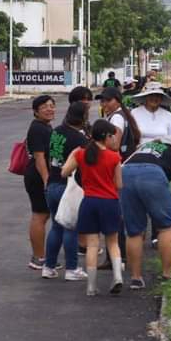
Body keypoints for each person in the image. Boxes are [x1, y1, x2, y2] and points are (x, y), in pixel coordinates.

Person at [121, 134, 171, 289]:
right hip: (153, 175)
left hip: (125, 173)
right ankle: (167, 274)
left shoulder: (145, 147)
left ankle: (136, 278)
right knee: (165, 227)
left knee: (134, 231)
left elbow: (123, 164)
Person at [61, 119, 125, 296]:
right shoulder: (114, 157)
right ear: (106, 136)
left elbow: (64, 172)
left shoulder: (81, 154)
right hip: (110, 202)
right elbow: (119, 184)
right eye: (112, 135)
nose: (114, 139)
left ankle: (91, 286)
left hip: (89, 202)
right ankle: (118, 277)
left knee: (91, 244)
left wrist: (73, 154)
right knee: (112, 242)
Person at [43, 103, 89, 282]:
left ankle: (49, 266)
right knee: (70, 226)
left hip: (53, 183)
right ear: (83, 117)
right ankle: (71, 268)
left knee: (56, 226)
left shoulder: (56, 131)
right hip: (68, 185)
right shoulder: (79, 139)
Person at [24, 95, 56, 270]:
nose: (50, 109)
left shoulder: (45, 126)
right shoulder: (38, 128)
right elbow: (39, 156)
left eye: (52, 106)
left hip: (41, 175)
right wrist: (46, 180)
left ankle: (41, 256)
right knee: (40, 215)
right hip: (37, 177)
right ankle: (38, 257)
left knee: (43, 215)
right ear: (36, 111)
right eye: (45, 107)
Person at [98, 86, 141, 156]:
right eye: (102, 101)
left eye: (108, 100)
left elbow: (115, 145)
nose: (104, 104)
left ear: (118, 101)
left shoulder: (116, 117)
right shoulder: (123, 113)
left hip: (120, 162)